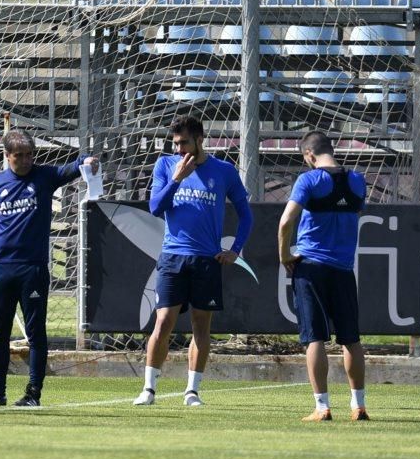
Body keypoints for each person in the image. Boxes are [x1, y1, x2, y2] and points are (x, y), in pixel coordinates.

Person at [134, 115, 253, 407]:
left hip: (207, 260)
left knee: (201, 325)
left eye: (184, 142)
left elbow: (246, 214)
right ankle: (148, 389)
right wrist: (177, 179)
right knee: (163, 322)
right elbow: (155, 207)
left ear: (200, 140)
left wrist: (235, 249)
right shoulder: (165, 165)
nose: (178, 149)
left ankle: (192, 391)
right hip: (173, 256)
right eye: (175, 143)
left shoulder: (223, 171)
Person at [0, 129, 98, 407]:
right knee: (0, 333)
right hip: (2, 268)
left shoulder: (44, 177)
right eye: (19, 156)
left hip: (32, 269)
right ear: (7, 157)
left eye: (30, 154)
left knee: (35, 333)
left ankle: (33, 392)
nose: (26, 160)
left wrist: (87, 161)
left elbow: (73, 168)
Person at [277, 130, 370, 422]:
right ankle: (358, 406)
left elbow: (285, 222)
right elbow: (351, 214)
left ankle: (322, 407)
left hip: (311, 267)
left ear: (309, 155)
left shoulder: (309, 179)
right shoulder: (357, 180)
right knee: (350, 339)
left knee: (314, 337)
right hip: (343, 269)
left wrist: (284, 257)